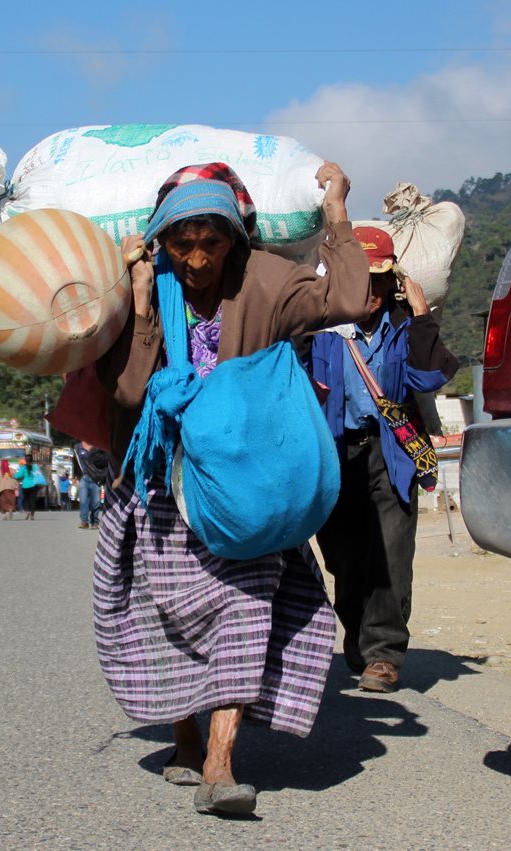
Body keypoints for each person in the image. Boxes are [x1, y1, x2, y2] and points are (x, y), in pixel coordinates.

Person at [93, 160, 370, 816]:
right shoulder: (149, 284)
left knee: (246, 607)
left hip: (245, 483)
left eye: (211, 242)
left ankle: (221, 762)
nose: (196, 259)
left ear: (235, 240)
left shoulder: (266, 279)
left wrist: (335, 211)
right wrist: (138, 303)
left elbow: (350, 299)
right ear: (160, 240)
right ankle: (186, 738)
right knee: (171, 613)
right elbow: (129, 392)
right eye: (180, 242)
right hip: (165, 480)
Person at [310, 227, 459, 693]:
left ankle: (384, 654)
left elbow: (428, 377)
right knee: (344, 559)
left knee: (391, 554)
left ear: (391, 281)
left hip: (391, 453)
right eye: (360, 282)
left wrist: (421, 317)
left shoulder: (403, 328)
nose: (369, 294)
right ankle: (356, 632)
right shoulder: (321, 333)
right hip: (335, 455)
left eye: (377, 283)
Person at [75, 441, 108, 530]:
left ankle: (95, 522)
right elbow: (76, 463)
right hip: (84, 478)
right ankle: (84, 521)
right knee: (83, 500)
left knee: (96, 502)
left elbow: (105, 460)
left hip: (96, 478)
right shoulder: (78, 447)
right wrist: (76, 477)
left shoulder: (98, 445)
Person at [13, 454, 43, 519]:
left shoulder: (23, 468)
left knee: (26, 500)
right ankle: (32, 515)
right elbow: (39, 475)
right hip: (34, 486)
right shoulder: (35, 467)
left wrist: (13, 475)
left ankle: (28, 511)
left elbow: (18, 475)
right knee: (33, 500)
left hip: (25, 486)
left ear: (25, 460)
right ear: (32, 460)